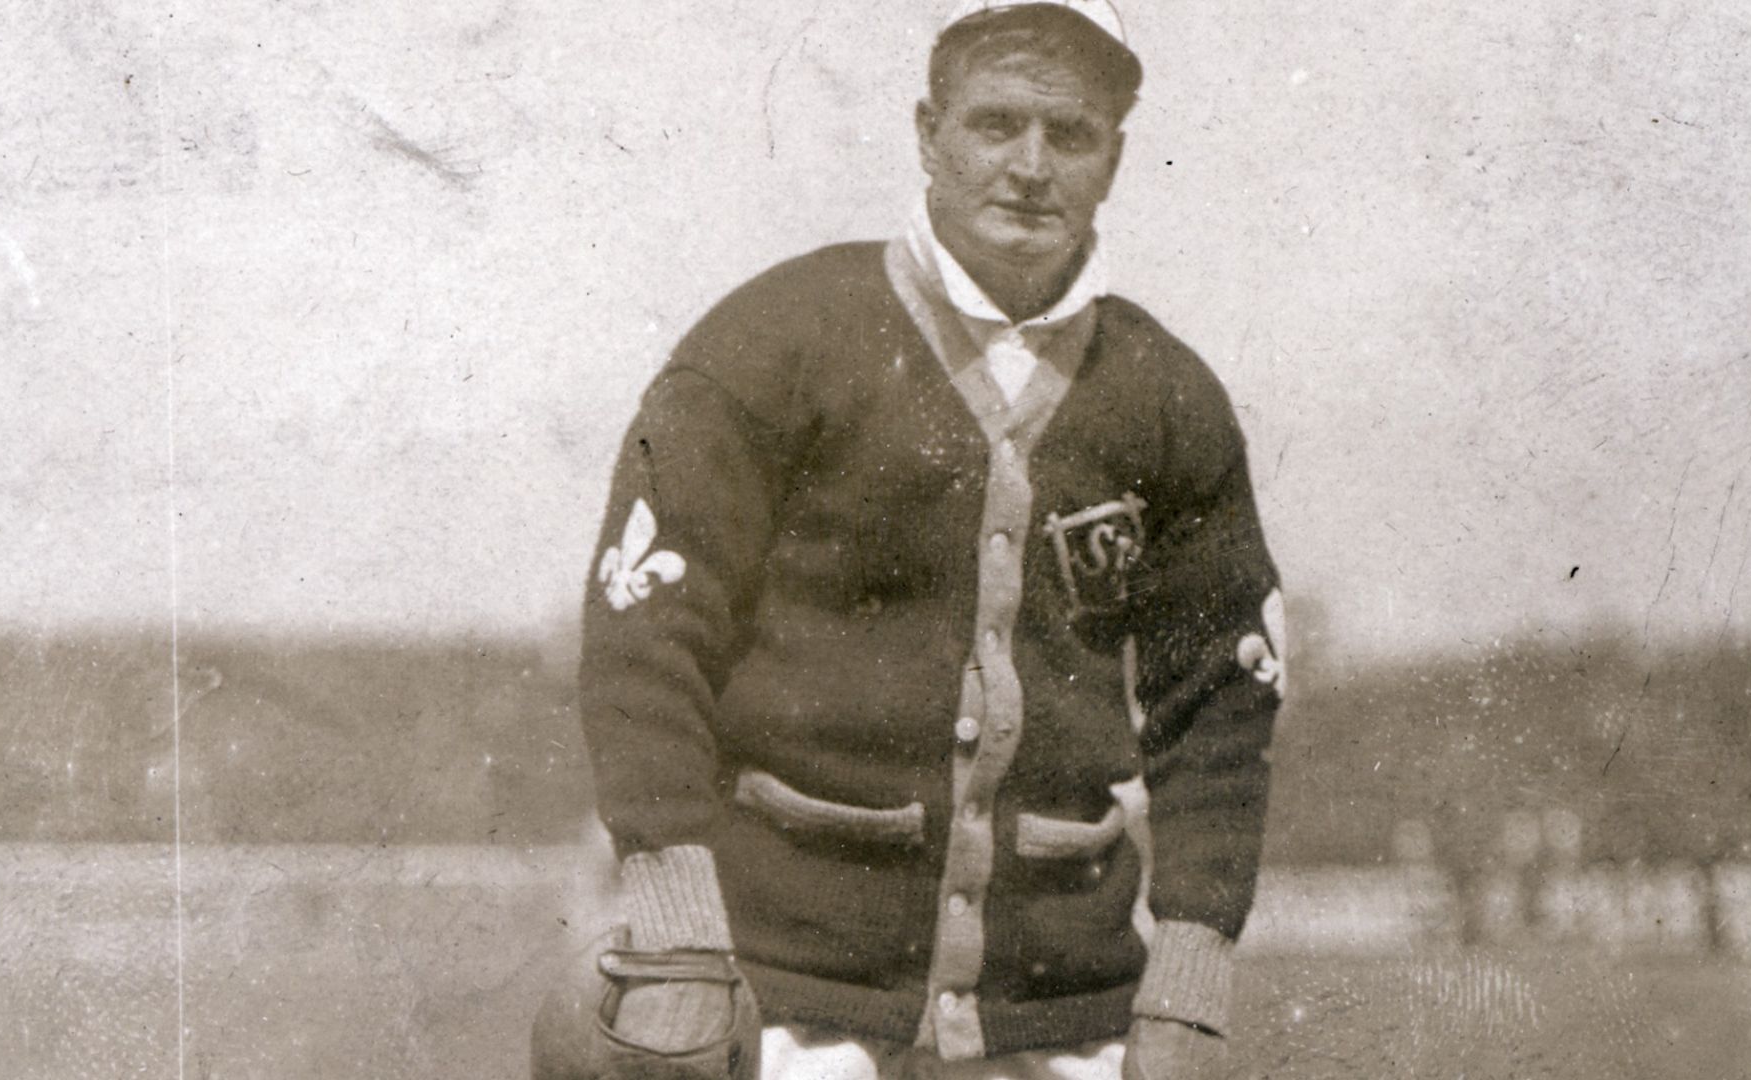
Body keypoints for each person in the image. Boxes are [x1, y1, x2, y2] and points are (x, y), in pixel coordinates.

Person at [547, 2, 1286, 1077]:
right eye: (996, 125)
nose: (1031, 166)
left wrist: (1187, 993)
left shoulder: (1168, 395)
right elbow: (647, 641)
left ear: (1114, 160)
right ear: (927, 132)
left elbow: (1223, 707)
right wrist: (677, 934)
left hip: (1066, 1006)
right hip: (784, 993)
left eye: (1069, 134)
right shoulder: (773, 339)